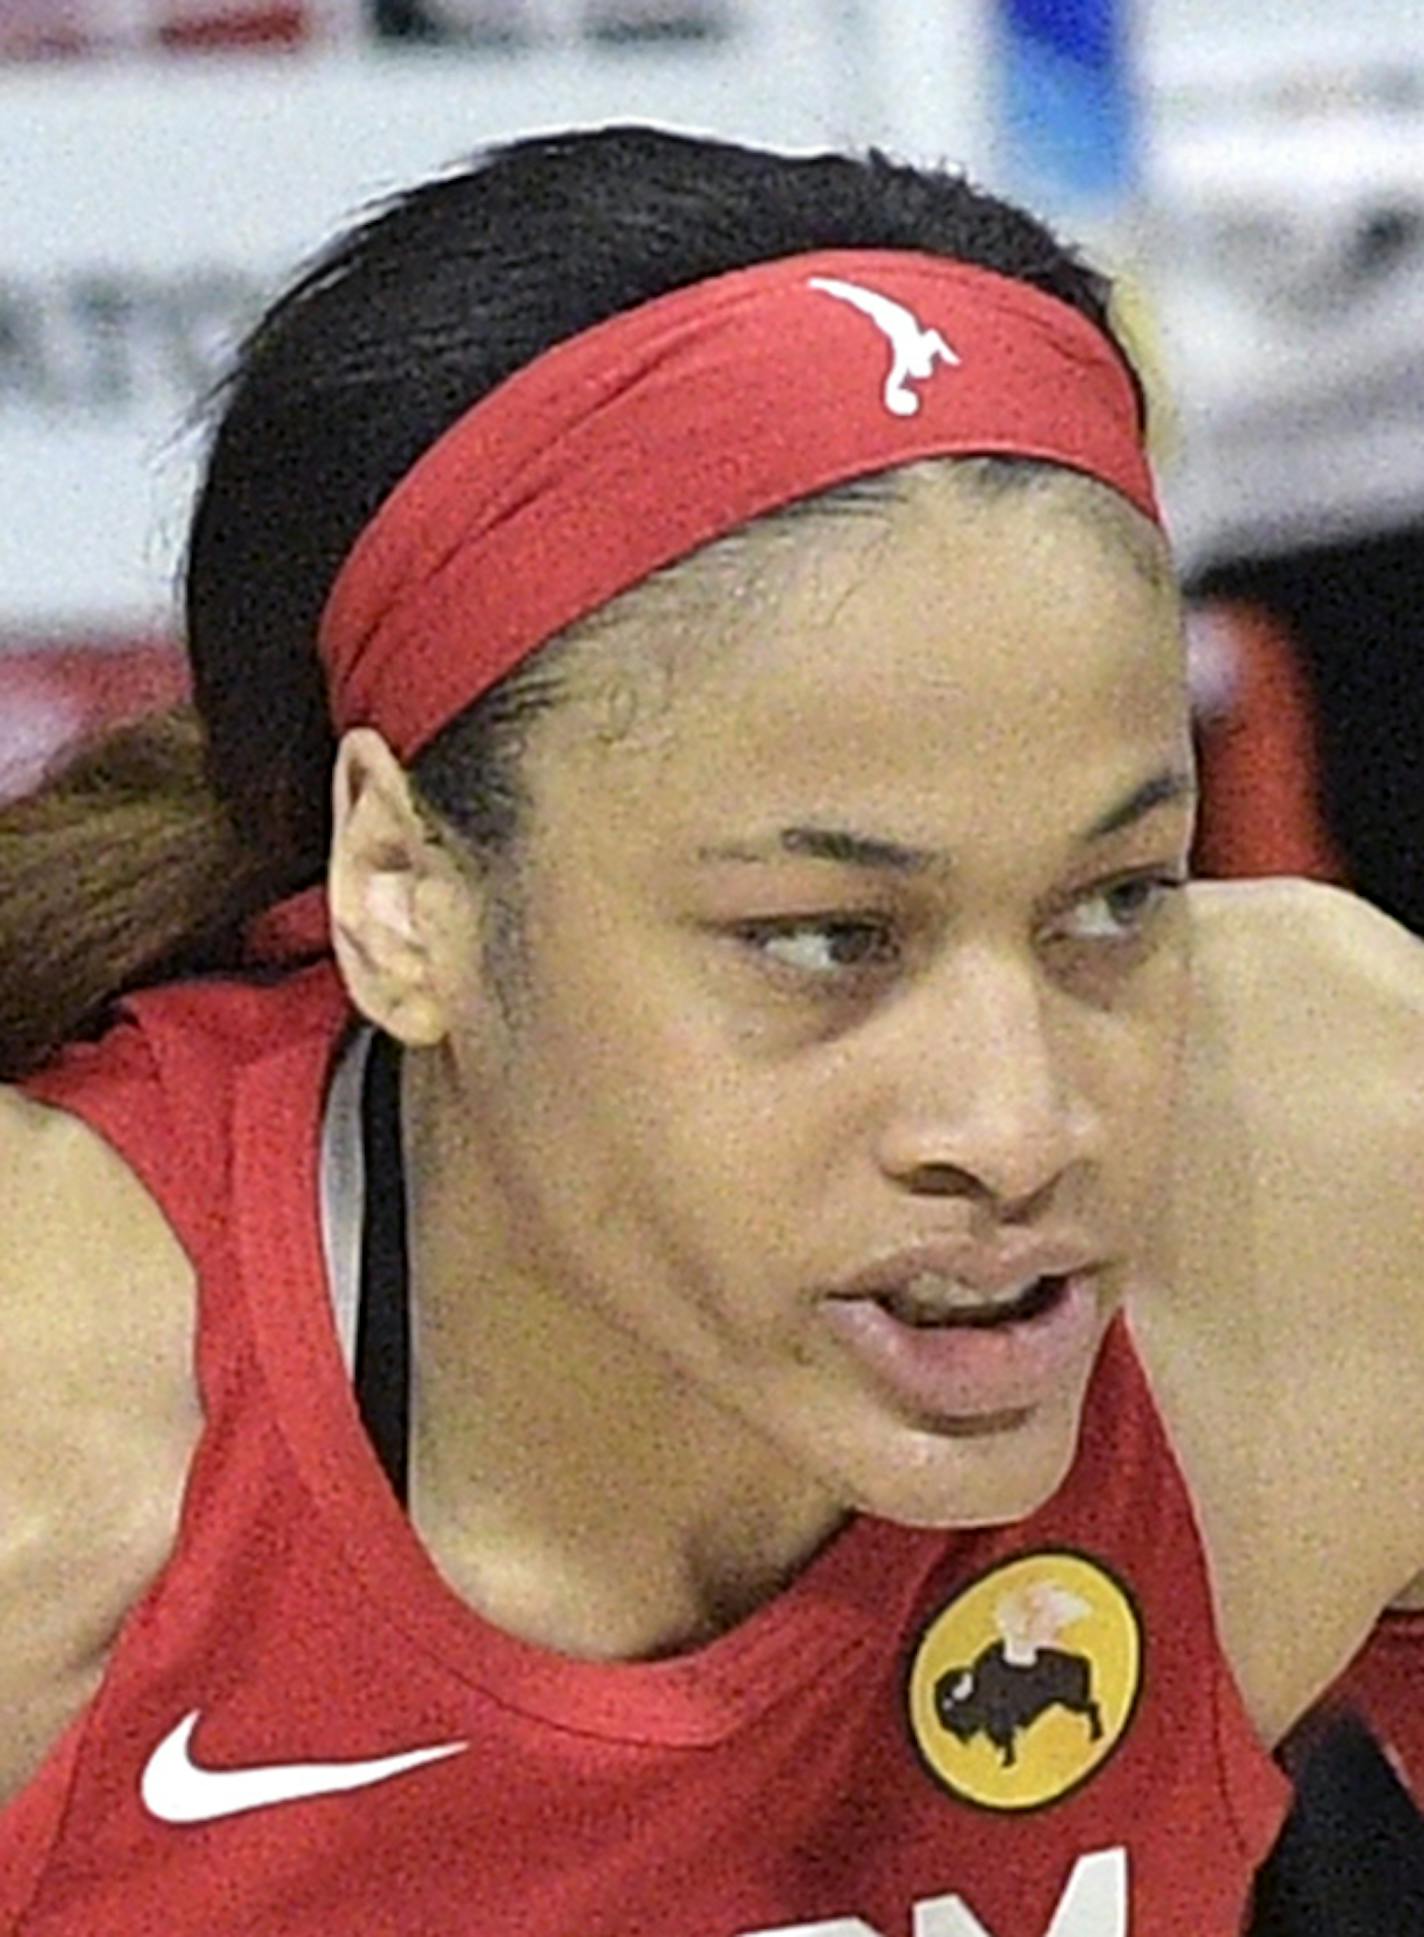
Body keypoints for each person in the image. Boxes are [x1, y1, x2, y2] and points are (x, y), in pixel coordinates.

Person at [0, 126, 1421, 1937]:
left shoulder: (1334, 1175)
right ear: (400, 893)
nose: (1020, 1121)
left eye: (1116, 901)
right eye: (826, 940)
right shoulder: (49, 1429)